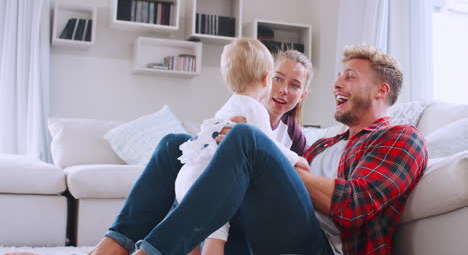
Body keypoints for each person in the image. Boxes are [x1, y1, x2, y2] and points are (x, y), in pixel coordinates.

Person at [83, 43, 426, 255]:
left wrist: (264, 155)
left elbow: (354, 205)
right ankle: (111, 247)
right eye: (338, 76)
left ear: (381, 91)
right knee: (176, 145)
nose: (336, 83)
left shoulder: (401, 137)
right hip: (263, 231)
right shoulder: (325, 142)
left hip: (320, 246)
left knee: (247, 139)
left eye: (349, 76)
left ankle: (153, 252)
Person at [174, 38, 309, 255]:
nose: (283, 90)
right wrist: (296, 158)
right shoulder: (255, 109)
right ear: (267, 79)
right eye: (278, 79)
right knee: (216, 237)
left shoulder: (231, 104)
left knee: (192, 234)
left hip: (188, 175)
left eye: (294, 85)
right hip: (213, 180)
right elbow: (267, 146)